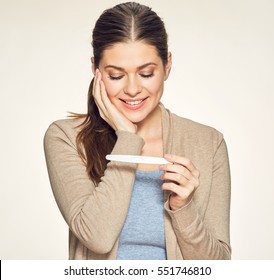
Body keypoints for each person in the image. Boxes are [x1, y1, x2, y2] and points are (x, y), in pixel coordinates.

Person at [44, 2, 231, 260]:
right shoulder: (66, 138)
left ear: (167, 66)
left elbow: (219, 268)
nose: (132, 89)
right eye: (116, 76)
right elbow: (97, 236)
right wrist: (128, 138)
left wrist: (184, 208)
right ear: (95, 71)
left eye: (146, 73)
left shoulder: (208, 143)